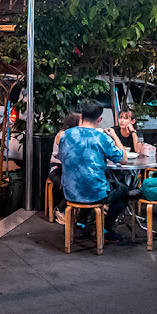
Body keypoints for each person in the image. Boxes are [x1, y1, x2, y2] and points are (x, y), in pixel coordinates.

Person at [57, 99, 129, 244]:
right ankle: (107, 230)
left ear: (81, 116)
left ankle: (80, 225)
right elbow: (124, 159)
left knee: (89, 184)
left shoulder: (65, 135)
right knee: (123, 191)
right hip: (94, 192)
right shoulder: (102, 138)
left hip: (69, 192)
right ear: (99, 119)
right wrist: (115, 136)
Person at [48, 110, 81, 225]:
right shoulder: (63, 134)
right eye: (81, 120)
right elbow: (67, 157)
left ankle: (80, 216)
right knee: (73, 186)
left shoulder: (77, 134)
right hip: (57, 169)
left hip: (71, 170)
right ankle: (60, 210)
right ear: (74, 122)